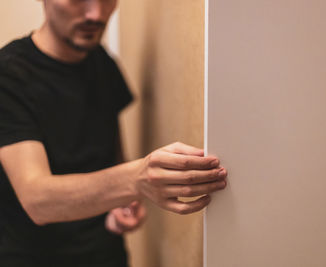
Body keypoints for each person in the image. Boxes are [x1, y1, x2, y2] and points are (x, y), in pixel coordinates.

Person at [0, 0, 227, 266]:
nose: (95, 13)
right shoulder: (10, 75)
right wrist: (135, 179)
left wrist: (121, 204)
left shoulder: (102, 62)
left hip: (107, 253)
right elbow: (38, 201)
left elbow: (114, 156)